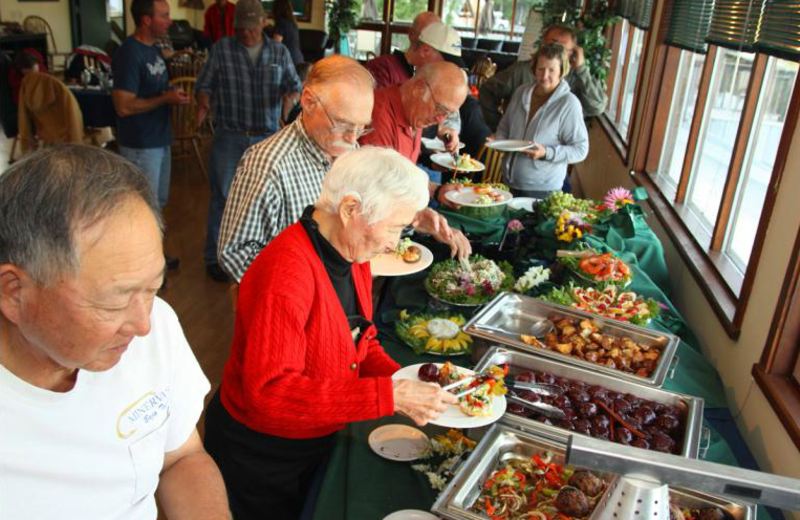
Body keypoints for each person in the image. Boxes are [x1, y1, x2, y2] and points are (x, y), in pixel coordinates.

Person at [204, 146, 459, 520]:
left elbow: (361, 340)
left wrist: (407, 382)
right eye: (393, 227)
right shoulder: (286, 274)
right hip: (264, 457)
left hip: (314, 437)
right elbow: (271, 393)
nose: (394, 242)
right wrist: (388, 395)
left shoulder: (348, 253)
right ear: (351, 209)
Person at [0, 145, 231, 520]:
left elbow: (180, 457)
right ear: (15, 292)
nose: (143, 325)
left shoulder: (157, 323)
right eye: (113, 303)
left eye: (154, 288)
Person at [217, 55, 470, 283]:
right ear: (308, 102)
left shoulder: (348, 151)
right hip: (296, 307)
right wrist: (304, 284)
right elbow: (235, 254)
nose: (353, 139)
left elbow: (364, 219)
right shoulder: (267, 164)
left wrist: (411, 222)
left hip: (342, 290)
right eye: (343, 125)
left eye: (361, 127)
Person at [196, 0, 302, 283]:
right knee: (221, 196)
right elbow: (203, 85)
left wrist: (287, 101)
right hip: (229, 135)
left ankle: (259, 258)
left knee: (262, 200)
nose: (246, 34)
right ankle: (214, 258)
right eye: (240, 29)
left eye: (251, 29)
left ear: (262, 24)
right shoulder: (221, 50)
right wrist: (203, 103)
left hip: (266, 138)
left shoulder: (279, 51)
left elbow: (294, 85)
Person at [113, 0, 189, 269]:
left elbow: (154, 89)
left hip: (159, 138)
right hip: (141, 143)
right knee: (142, 206)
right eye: (164, 16)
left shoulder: (154, 49)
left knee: (158, 203)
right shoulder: (128, 53)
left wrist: (170, 96)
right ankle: (139, 264)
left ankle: (153, 257)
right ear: (146, 20)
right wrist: (164, 98)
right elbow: (123, 105)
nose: (169, 21)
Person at [360, 61, 468, 205]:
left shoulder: (414, 113)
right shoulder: (379, 116)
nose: (440, 119)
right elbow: (379, 190)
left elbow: (402, 176)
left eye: (447, 114)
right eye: (439, 109)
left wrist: (435, 190)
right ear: (419, 89)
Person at [493, 43, 588, 198]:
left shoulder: (569, 103)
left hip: (543, 190)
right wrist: (499, 140)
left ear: (562, 71)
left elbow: (580, 149)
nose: (544, 76)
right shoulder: (521, 92)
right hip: (508, 183)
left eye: (551, 70)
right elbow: (504, 127)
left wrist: (546, 153)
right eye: (541, 69)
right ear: (533, 68)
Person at [479, 23, 609, 130]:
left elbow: (597, 107)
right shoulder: (521, 71)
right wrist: (498, 126)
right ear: (542, 45)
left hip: (554, 153)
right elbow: (487, 91)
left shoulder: (577, 79)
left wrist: (582, 69)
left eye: (562, 49)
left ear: (572, 53)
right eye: (551, 45)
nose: (554, 52)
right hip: (515, 144)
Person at [364, 19, 464, 154]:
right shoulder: (384, 71)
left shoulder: (420, 105)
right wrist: (436, 130)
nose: (448, 70)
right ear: (425, 50)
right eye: (446, 62)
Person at [15, 50, 84, 153]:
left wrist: (27, 140)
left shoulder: (24, 87)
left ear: (21, 70)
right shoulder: (54, 83)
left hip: (45, 134)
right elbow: (73, 112)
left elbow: (23, 118)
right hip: (66, 133)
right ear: (36, 64)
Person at [271, 0, 304, 65]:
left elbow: (276, 45)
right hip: (298, 59)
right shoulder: (293, 23)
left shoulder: (280, 23)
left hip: (289, 60)